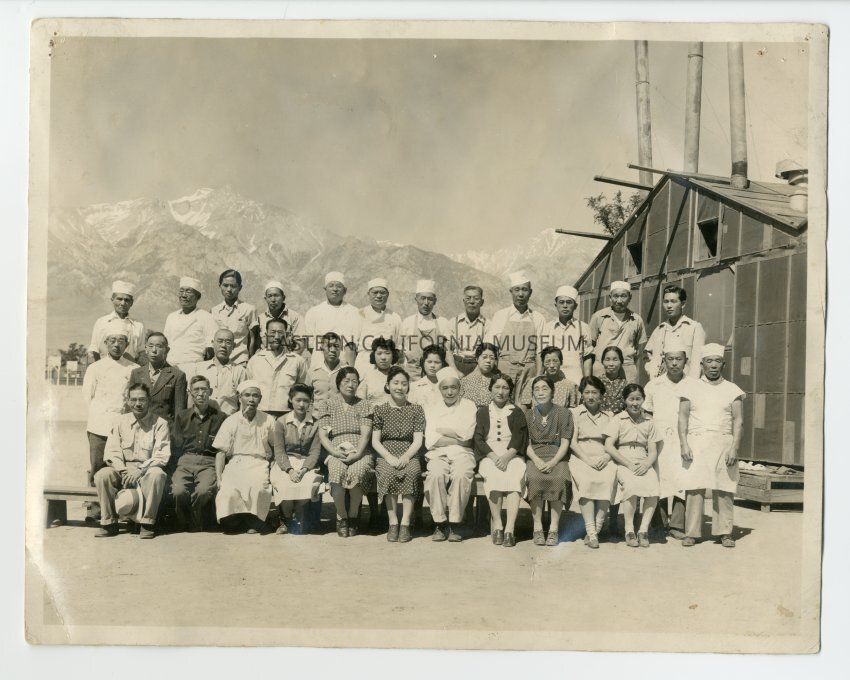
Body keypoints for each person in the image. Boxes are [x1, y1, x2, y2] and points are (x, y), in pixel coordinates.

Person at [677, 343, 744, 548]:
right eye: (709, 361)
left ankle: (725, 532)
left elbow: (738, 421)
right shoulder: (689, 388)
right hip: (696, 443)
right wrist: (684, 445)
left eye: (717, 361)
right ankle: (691, 533)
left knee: (724, 488)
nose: (713, 365)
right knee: (694, 488)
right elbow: (682, 418)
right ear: (702, 364)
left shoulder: (733, 390)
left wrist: (734, 448)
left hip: (723, 443)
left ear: (723, 364)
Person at [93, 382, 170, 539]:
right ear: (127, 401)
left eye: (142, 399)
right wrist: (123, 470)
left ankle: (147, 523)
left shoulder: (160, 424)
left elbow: (161, 455)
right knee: (102, 475)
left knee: (158, 474)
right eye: (133, 400)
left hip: (146, 470)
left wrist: (140, 470)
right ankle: (109, 523)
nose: (138, 404)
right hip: (123, 469)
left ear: (149, 401)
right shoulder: (119, 421)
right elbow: (112, 451)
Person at [82, 320, 138, 521]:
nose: (116, 345)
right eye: (112, 340)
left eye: (121, 341)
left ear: (127, 344)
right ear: (105, 343)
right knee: (97, 466)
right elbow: (87, 396)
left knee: (121, 466)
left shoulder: (133, 369)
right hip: (98, 425)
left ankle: (123, 509)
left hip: (123, 426)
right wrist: (97, 417)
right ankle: (95, 509)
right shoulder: (95, 368)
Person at [643, 339, 697, 539]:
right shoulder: (653, 385)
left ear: (686, 361)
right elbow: (646, 414)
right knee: (659, 479)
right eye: (670, 359)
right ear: (664, 361)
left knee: (682, 479)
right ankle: (658, 524)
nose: (674, 363)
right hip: (659, 440)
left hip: (685, 440)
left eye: (678, 359)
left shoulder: (694, 385)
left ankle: (677, 525)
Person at [316, 367, 375, 537]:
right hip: (336, 450)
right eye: (346, 381)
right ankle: (342, 517)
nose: (350, 385)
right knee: (336, 472)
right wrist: (334, 452)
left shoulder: (364, 405)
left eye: (354, 381)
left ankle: (353, 516)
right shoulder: (327, 404)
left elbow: (365, 434)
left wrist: (358, 453)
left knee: (358, 472)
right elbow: (323, 435)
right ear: (338, 383)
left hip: (360, 450)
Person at [423, 367, 478, 543]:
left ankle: (455, 522)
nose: (449, 392)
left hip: (463, 453)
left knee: (461, 475)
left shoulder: (468, 406)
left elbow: (468, 436)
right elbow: (431, 440)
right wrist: (456, 436)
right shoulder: (431, 408)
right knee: (435, 475)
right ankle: (440, 522)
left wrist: (444, 431)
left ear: (460, 388)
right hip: (437, 454)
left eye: (453, 387)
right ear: (440, 389)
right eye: (445, 388)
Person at [213, 380, 276, 534]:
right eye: (247, 395)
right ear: (239, 397)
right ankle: (243, 520)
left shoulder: (268, 420)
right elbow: (221, 452)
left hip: (259, 463)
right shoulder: (230, 420)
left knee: (258, 488)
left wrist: (273, 468)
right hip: (236, 463)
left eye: (255, 396)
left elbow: (276, 447)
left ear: (260, 399)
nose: (251, 399)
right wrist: (219, 478)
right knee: (228, 491)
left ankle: (254, 520)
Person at [371, 366, 426, 543]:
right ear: (388, 385)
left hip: (409, 452)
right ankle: (393, 522)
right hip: (386, 452)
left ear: (408, 386)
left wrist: (406, 457)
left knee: (412, 473)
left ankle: (405, 523)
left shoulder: (416, 410)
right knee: (387, 473)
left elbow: (418, 440)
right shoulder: (380, 410)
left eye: (404, 383)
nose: (399, 387)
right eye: (395, 383)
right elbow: (375, 441)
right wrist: (389, 457)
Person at [473, 374, 528, 548]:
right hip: (489, 455)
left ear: (510, 391)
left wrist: (506, 457)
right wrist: (494, 457)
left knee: (515, 477)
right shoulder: (483, 412)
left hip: (512, 454)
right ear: (490, 389)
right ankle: (497, 524)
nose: (501, 391)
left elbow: (520, 437)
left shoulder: (516, 412)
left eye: (505, 388)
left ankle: (510, 529)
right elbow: (478, 439)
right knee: (493, 476)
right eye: (497, 387)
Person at [604, 384, 662, 548]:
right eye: (631, 399)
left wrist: (646, 464)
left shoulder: (649, 421)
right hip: (623, 459)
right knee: (630, 486)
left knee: (653, 486)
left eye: (638, 399)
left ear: (643, 400)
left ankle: (643, 530)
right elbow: (609, 446)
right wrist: (628, 464)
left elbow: (653, 451)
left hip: (643, 459)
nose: (635, 403)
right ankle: (629, 530)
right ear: (625, 400)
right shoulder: (618, 419)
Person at [170, 375, 227, 532]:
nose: (200, 393)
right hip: (185, 461)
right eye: (196, 390)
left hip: (209, 462)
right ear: (190, 392)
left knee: (204, 491)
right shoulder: (182, 417)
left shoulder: (221, 418)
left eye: (204, 389)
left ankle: (196, 521)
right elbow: (176, 447)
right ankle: (184, 522)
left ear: (210, 392)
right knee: (178, 491)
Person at [524, 376, 573, 547]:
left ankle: (553, 528)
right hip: (535, 455)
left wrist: (553, 462)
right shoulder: (528, 415)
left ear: (552, 392)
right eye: (536, 389)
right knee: (534, 478)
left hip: (557, 455)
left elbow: (565, 442)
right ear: (532, 393)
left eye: (544, 388)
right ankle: (537, 527)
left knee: (559, 478)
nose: (540, 392)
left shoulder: (564, 413)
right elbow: (526, 443)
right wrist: (536, 460)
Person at [568, 376, 617, 549]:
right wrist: (588, 460)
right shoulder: (574, 413)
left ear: (601, 395)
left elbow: (613, 442)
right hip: (581, 455)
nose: (590, 396)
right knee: (586, 480)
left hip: (604, 455)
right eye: (587, 392)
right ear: (581, 394)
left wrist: (607, 457)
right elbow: (572, 442)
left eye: (594, 393)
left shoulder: (609, 416)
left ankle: (596, 530)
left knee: (608, 479)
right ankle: (591, 531)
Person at [270, 383, 324, 535]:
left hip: (307, 464)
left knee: (308, 484)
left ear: (310, 402)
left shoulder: (316, 423)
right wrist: (290, 470)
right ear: (290, 400)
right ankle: (285, 519)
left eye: (306, 401)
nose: (301, 404)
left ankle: (297, 517)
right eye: (298, 400)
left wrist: (304, 469)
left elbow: (314, 451)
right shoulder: (281, 422)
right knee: (284, 484)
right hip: (285, 463)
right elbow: (279, 450)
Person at [488, 271, 546, 401]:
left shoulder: (538, 318)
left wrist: (538, 376)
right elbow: (492, 348)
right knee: (503, 403)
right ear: (511, 292)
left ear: (530, 292)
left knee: (525, 405)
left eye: (524, 290)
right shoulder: (500, 316)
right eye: (517, 289)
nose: (520, 294)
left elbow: (540, 351)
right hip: (504, 369)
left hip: (529, 371)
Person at [246, 318, 309, 417]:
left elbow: (303, 391)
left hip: (287, 415)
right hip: (260, 415)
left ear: (286, 335)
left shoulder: (298, 361)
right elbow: (248, 390)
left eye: (280, 333)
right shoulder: (255, 361)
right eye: (272, 332)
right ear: (266, 335)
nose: (276, 336)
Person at [588, 281, 647, 383]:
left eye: (623, 296)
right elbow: (590, 345)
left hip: (627, 369)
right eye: (616, 296)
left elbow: (640, 347)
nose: (619, 301)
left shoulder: (636, 320)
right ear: (610, 297)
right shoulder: (598, 317)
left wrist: (628, 359)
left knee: (628, 392)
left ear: (630, 297)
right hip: (602, 368)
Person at [644, 284, 706, 379]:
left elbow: (697, 361)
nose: (669, 306)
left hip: (685, 382)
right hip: (661, 382)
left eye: (673, 301)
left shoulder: (694, 328)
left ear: (683, 304)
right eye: (666, 302)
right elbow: (647, 355)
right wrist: (653, 372)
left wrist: (692, 384)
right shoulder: (659, 329)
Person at [400, 279, 456, 379]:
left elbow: (448, 352)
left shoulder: (443, 322)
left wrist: (454, 370)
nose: (426, 303)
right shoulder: (407, 323)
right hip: (412, 377)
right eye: (422, 298)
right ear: (416, 299)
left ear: (435, 301)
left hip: (436, 377)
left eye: (430, 299)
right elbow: (401, 354)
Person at [303, 271, 360, 369]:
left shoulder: (355, 312)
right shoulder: (313, 312)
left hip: (346, 364)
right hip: (320, 363)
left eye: (339, 286)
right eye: (331, 286)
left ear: (345, 290)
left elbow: (355, 342)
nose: (335, 289)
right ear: (325, 289)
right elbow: (310, 343)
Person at [162, 276, 219, 374]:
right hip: (171, 365)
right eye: (181, 291)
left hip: (195, 367)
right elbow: (165, 343)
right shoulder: (171, 317)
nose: (184, 295)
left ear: (197, 297)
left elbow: (212, 346)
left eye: (188, 292)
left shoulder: (207, 317)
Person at [127, 332, 187, 424]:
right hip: (140, 427)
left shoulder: (177, 375)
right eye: (150, 346)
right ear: (146, 349)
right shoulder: (136, 373)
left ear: (167, 350)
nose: (154, 350)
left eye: (159, 346)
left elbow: (180, 412)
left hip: (165, 428)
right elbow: (130, 405)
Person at [187, 328, 247, 415]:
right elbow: (191, 397)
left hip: (228, 420)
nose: (223, 345)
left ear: (233, 346)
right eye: (220, 341)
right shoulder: (199, 368)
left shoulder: (240, 371)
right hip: (202, 419)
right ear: (212, 343)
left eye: (228, 342)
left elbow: (243, 402)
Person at [542, 285, 592, 384]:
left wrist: (587, 382)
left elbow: (587, 358)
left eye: (569, 302)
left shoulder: (583, 327)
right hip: (552, 378)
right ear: (556, 305)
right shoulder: (547, 328)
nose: (565, 306)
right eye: (561, 302)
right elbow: (541, 356)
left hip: (575, 377)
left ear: (575, 306)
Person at [87, 280, 146, 364]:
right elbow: (94, 349)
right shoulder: (101, 322)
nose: (123, 303)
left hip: (130, 369)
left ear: (131, 303)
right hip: (105, 368)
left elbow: (141, 352)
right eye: (119, 299)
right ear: (112, 300)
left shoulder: (138, 325)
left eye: (127, 300)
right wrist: (99, 368)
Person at [210, 269, 259, 365]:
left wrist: (251, 362)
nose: (229, 289)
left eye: (233, 286)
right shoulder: (214, 311)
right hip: (219, 362)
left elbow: (253, 340)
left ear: (240, 287)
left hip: (241, 361)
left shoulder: (249, 309)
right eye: (225, 285)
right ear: (220, 286)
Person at [354, 278, 402, 375]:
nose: (379, 296)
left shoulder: (395, 317)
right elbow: (351, 346)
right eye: (375, 292)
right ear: (368, 294)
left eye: (382, 293)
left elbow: (398, 348)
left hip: (387, 367)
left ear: (388, 294)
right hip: (364, 365)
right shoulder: (359, 314)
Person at [451, 285, 488, 377]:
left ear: (482, 302)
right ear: (464, 301)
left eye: (476, 298)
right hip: (455, 365)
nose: (472, 302)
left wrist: (476, 373)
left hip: (478, 367)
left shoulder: (488, 324)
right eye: (468, 298)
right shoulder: (453, 322)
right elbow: (447, 350)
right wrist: (454, 370)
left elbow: (487, 353)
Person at [259, 281, 303, 352]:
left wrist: (291, 358)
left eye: (276, 296)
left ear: (283, 298)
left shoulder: (295, 317)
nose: (273, 300)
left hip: (288, 357)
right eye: (270, 296)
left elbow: (300, 343)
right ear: (265, 298)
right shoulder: (260, 319)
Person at [308, 331, 347, 414]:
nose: (333, 350)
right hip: (316, 418)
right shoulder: (312, 371)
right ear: (322, 348)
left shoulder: (346, 371)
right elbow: (307, 398)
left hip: (339, 418)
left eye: (336, 346)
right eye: (329, 346)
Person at [356, 337, 400, 405]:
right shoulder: (368, 377)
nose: (383, 357)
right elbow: (359, 403)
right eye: (379, 353)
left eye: (387, 353)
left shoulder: (399, 376)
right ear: (374, 355)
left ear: (393, 355)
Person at [458, 342, 501, 407]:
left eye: (492, 358)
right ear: (477, 359)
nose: (488, 361)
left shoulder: (498, 381)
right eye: (484, 357)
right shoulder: (464, 381)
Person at [597, 346, 629, 414]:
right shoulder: (596, 383)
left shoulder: (626, 385)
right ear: (602, 362)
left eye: (615, 360)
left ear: (621, 362)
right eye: (607, 360)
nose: (611, 364)